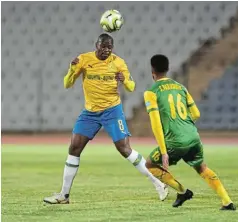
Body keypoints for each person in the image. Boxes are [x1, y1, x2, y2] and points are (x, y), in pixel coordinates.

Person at [43, 34, 168, 204]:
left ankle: (158, 183)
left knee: (124, 149)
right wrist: (72, 69)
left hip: (112, 111)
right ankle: (64, 195)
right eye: (104, 47)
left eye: (110, 47)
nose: (107, 50)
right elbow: (67, 83)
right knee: (74, 148)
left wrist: (124, 80)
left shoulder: (118, 63)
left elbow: (132, 87)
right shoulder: (83, 60)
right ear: (97, 45)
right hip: (90, 113)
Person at [143, 54, 236, 210]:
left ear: (152, 70)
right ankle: (227, 201)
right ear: (167, 69)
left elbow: (156, 124)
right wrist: (184, 125)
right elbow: (196, 114)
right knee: (201, 167)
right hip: (193, 136)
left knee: (150, 164)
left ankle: (182, 192)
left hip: (175, 141)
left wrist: (164, 151)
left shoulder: (151, 92)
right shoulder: (181, 87)